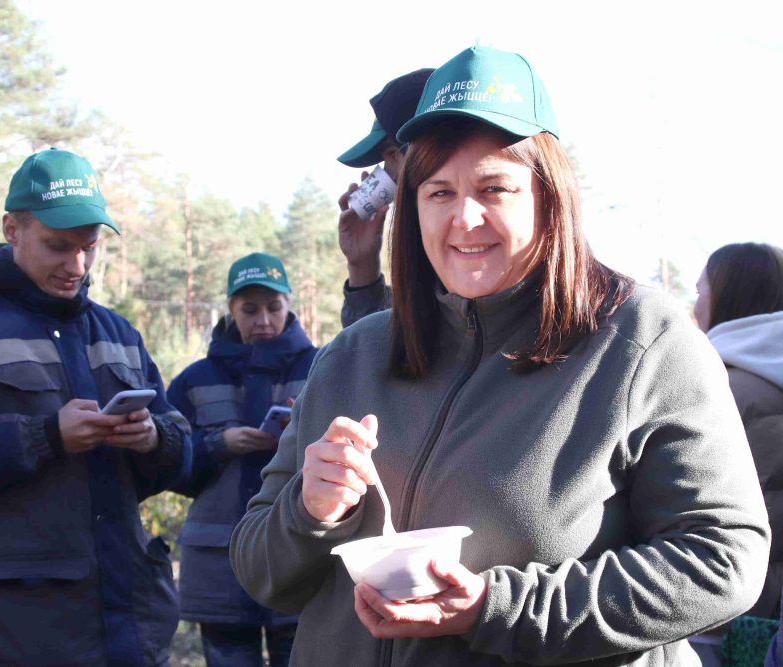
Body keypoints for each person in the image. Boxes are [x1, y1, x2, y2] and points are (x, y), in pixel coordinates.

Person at [229, 46, 771, 666]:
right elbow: (259, 572)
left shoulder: (642, 338)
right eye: (438, 192)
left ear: (547, 197)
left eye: (495, 188)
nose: (464, 218)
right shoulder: (353, 355)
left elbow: (723, 559)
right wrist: (310, 509)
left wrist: (495, 608)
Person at [0, 147, 192, 666]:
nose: (76, 266)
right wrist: (45, 435)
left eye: (89, 248)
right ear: (12, 229)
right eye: (58, 246)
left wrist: (152, 439)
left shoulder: (119, 334)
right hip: (19, 633)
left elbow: (183, 453)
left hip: (130, 625)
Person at [168, 252, 318, 667]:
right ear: (231, 310)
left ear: (289, 304)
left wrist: (299, 439)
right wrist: (219, 444)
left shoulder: (324, 366)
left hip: (302, 556)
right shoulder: (194, 380)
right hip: (218, 567)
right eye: (249, 310)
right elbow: (165, 464)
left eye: (273, 307)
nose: (264, 321)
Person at [690, 243, 783, 665]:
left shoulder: (727, 388)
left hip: (723, 612)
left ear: (728, 297)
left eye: (700, 290)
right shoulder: (763, 378)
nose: (694, 304)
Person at [336, 67, 433, 328]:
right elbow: (381, 356)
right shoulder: (418, 239)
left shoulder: (458, 233)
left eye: (387, 156)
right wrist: (362, 264)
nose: (385, 174)